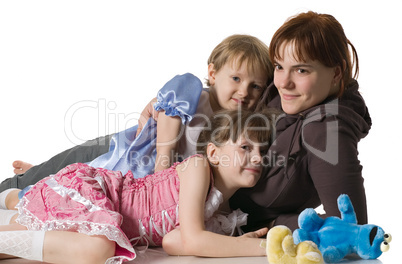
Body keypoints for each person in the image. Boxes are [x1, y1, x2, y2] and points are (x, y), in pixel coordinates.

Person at [0, 34, 273, 193]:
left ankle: (40, 173)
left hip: (133, 180)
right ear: (213, 74)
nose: (244, 91)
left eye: (255, 86)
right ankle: (24, 178)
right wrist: (162, 171)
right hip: (125, 151)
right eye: (236, 79)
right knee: (73, 161)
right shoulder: (193, 92)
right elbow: (168, 124)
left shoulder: (241, 124)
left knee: (72, 184)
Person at [0, 109, 276, 263]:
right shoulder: (198, 167)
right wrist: (262, 247)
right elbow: (192, 238)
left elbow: (173, 241)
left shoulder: (218, 212)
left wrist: (232, 242)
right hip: (97, 191)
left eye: (262, 151)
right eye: (245, 147)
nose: (257, 157)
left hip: (104, 208)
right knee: (99, 249)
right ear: (214, 153)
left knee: (41, 229)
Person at [230, 11, 371, 231]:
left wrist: (272, 225)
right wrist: (165, 105)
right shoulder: (279, 95)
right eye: (279, 66)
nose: (283, 82)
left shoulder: (325, 129)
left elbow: (350, 229)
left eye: (301, 70)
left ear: (336, 74)